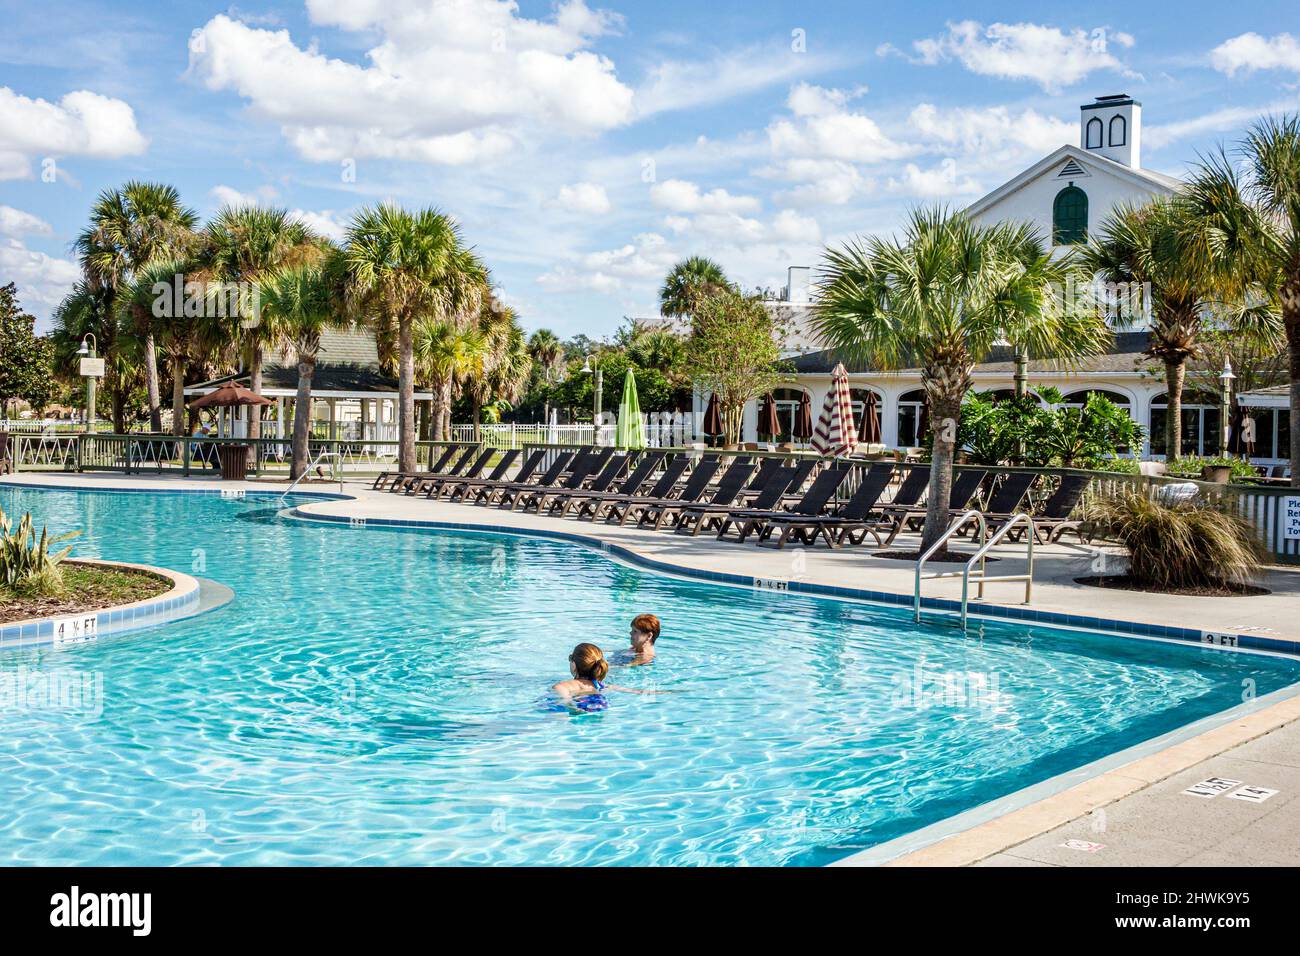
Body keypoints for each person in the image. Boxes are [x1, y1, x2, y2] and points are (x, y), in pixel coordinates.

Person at [551, 643, 655, 711]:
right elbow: (638, 692)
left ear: (574, 665)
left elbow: (565, 703)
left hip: (577, 708)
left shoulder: (564, 686)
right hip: (599, 705)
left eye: (570, 658)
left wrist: (575, 709)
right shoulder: (602, 686)